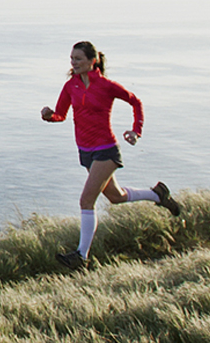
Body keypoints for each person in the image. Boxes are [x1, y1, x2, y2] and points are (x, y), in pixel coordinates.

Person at [41, 41, 181, 270]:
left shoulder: (106, 86)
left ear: (92, 61)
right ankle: (158, 195)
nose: (73, 62)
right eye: (72, 58)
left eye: (78, 58)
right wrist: (49, 116)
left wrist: (136, 130)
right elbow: (61, 115)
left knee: (86, 200)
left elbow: (135, 101)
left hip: (105, 149)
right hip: (85, 150)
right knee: (116, 196)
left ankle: (81, 256)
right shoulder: (70, 86)